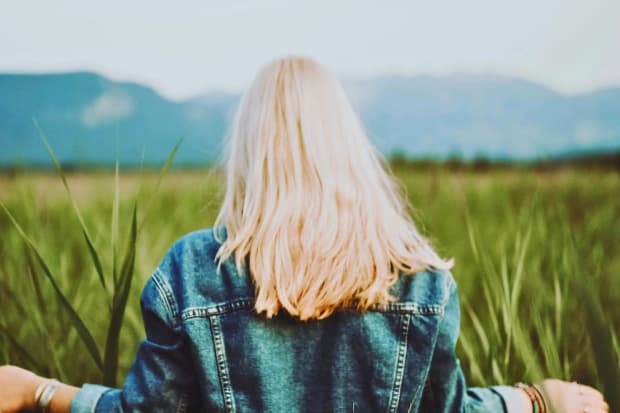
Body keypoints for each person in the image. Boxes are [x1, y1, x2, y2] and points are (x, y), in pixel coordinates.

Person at [0, 56, 609, 413]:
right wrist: (534, 399)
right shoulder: (422, 281)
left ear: (249, 153)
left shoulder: (191, 272)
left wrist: (37, 391)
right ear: (347, 150)